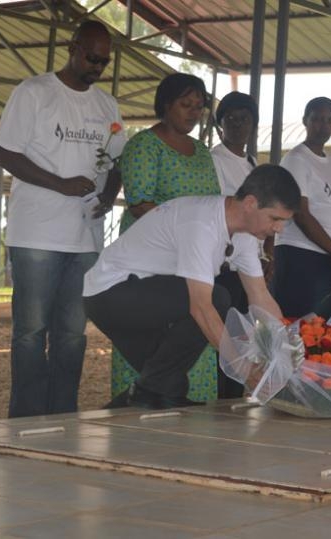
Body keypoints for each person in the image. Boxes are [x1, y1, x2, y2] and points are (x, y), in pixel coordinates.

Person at [84, 165, 301, 409]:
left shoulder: (245, 235)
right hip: (110, 295)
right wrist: (243, 368)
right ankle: (147, 396)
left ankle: (121, 410)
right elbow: (200, 307)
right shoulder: (202, 223)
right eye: (275, 219)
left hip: (141, 295)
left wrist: (288, 352)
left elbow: (260, 296)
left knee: (162, 388)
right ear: (250, 203)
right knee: (218, 298)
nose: (279, 229)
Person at [0, 20, 125, 418]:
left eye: (104, 61)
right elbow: (5, 154)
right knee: (31, 333)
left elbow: (118, 161)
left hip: (85, 238)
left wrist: (108, 194)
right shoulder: (34, 92)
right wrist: (59, 183)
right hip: (35, 234)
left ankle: (63, 415)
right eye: (91, 57)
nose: (97, 66)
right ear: (73, 48)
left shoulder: (108, 106)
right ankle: (27, 418)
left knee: (72, 335)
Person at [110, 73, 221, 406]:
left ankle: (193, 413)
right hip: (151, 262)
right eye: (185, 105)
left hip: (191, 262)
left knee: (193, 329)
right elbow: (142, 204)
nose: (193, 112)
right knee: (152, 333)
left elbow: (213, 204)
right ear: (165, 105)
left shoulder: (201, 152)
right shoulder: (144, 145)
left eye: (199, 107)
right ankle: (140, 407)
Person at [272, 97, 331, 319]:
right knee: (303, 332)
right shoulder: (296, 159)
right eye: (317, 119)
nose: (323, 125)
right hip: (303, 257)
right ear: (305, 120)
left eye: (330, 120)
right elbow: (301, 213)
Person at [211, 91, 260, 399]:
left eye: (245, 119)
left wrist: (268, 256)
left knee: (243, 337)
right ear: (220, 124)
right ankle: (223, 399)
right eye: (231, 119)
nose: (239, 125)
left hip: (250, 262)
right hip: (225, 264)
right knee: (226, 337)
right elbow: (214, 210)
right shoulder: (214, 160)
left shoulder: (253, 164)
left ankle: (234, 396)